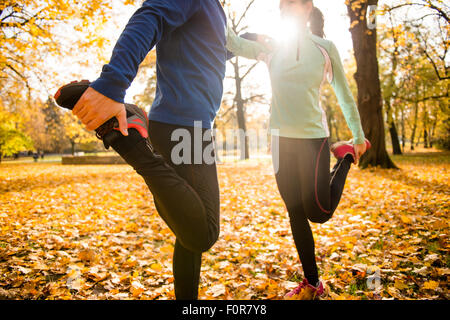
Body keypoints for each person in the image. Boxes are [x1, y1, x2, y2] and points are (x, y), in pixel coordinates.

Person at [55, 0, 227, 300]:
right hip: (188, 127)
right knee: (203, 233)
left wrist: (257, 45)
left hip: (183, 125)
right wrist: (112, 83)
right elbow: (152, 14)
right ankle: (128, 139)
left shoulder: (214, 9)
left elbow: (212, 49)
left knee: (187, 233)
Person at [226, 0, 371, 299]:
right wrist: (211, 10)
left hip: (312, 139)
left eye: (297, 2)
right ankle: (312, 282)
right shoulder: (272, 47)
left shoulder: (325, 47)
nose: (290, 6)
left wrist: (357, 135)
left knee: (318, 213)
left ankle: (343, 156)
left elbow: (343, 93)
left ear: (308, 8)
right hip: (279, 140)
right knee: (294, 211)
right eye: (285, 3)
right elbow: (232, 43)